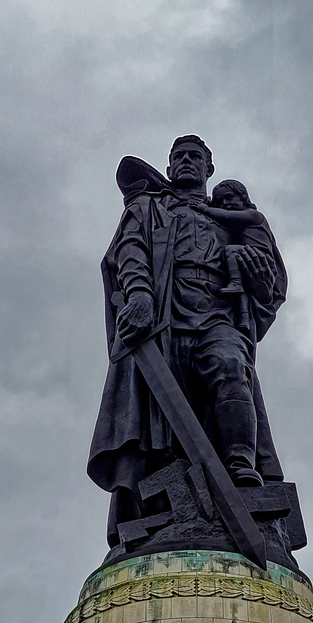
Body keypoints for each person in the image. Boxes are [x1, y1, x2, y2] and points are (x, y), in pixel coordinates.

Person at [87, 135, 288, 549]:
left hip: (217, 314)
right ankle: (169, 507)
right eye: (178, 156)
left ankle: (239, 466)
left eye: (194, 157)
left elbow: (268, 283)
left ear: (208, 169)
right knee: (162, 416)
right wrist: (140, 295)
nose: (185, 162)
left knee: (232, 368)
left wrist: (258, 277)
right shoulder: (149, 207)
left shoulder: (232, 218)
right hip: (164, 320)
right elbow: (130, 252)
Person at [193, 179, 277, 295]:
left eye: (229, 197)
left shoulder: (253, 215)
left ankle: (235, 283)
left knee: (231, 251)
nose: (225, 203)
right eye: (219, 201)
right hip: (248, 254)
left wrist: (204, 208)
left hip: (259, 256)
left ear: (243, 197)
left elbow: (226, 216)